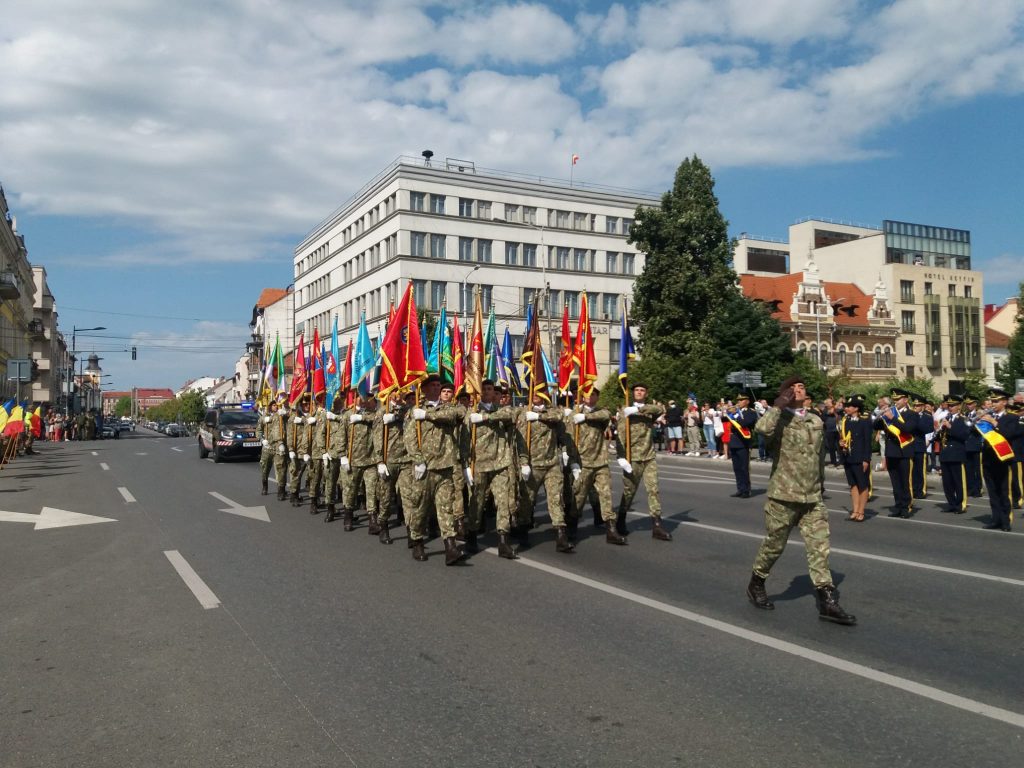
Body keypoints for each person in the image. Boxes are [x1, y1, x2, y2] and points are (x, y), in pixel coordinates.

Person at [746, 374, 856, 625]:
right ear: (784, 392)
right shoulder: (777, 419)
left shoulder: (815, 420)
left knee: (820, 547)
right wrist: (778, 406)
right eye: (792, 387)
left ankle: (827, 600)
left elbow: (819, 455)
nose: (798, 389)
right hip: (783, 495)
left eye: (801, 386)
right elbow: (761, 430)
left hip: (812, 496)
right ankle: (757, 582)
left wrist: (821, 483)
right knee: (775, 545)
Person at [407, 375, 467, 564]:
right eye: (432, 385)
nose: (436, 388)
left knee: (445, 508)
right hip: (424, 468)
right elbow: (409, 439)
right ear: (423, 389)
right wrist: (418, 460)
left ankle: (450, 548)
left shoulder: (449, 408)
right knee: (420, 508)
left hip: (445, 466)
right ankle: (417, 541)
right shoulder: (415, 411)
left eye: (438, 385)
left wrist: (427, 415)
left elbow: (456, 416)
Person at [516, 388, 574, 553]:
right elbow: (520, 441)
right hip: (533, 465)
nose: (536, 395)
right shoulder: (524, 414)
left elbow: (559, 421)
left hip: (552, 464)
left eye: (540, 392)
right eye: (534, 393)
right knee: (527, 501)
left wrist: (564, 452)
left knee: (556, 500)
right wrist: (523, 463)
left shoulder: (552, 412)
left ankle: (561, 536)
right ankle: (523, 532)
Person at [465, 379, 518, 558]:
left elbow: (510, 415)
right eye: (484, 389)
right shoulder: (471, 413)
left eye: (490, 389)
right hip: (478, 463)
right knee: (477, 502)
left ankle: (503, 540)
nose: (487, 392)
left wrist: (485, 417)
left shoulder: (500, 410)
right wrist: (466, 465)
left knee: (503, 502)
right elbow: (463, 439)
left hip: (499, 462)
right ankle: (471, 533)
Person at [615, 383, 672, 541]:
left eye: (642, 390)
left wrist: (639, 409)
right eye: (637, 390)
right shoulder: (625, 410)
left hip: (648, 457)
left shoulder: (648, 410)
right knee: (629, 492)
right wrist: (621, 457)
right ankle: (620, 520)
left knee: (653, 490)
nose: (639, 392)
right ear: (633, 393)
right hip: (632, 458)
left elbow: (660, 409)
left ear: (646, 394)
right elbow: (619, 434)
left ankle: (657, 525)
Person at [570, 387, 627, 546]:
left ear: (597, 397)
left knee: (606, 495)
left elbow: (606, 416)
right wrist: (571, 460)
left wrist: (585, 417)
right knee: (579, 498)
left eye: (593, 394)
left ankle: (611, 529)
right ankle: (572, 528)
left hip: (600, 461)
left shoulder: (601, 412)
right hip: (583, 462)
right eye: (586, 393)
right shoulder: (574, 413)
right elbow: (568, 436)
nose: (589, 396)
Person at [978, 388, 1022, 531]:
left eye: (996, 401)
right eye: (992, 401)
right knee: (993, 492)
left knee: (1004, 491)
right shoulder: (988, 416)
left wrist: (994, 422)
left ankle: (1006, 521)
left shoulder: (1012, 418)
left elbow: (1010, 434)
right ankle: (995, 519)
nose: (993, 403)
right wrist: (977, 422)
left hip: (1003, 460)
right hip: (988, 459)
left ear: (1004, 402)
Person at [873, 388, 916, 518]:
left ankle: (906, 507)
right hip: (891, 451)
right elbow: (875, 426)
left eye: (898, 399)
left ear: (905, 400)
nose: (896, 402)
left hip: (904, 451)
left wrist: (893, 418)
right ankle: (898, 506)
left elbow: (908, 429)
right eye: (895, 399)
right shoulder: (890, 412)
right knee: (895, 483)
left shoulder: (911, 414)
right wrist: (881, 415)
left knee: (905, 482)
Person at [839, 394, 872, 522]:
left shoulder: (864, 421)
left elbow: (867, 442)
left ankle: (861, 511)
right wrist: (841, 443)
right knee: (853, 484)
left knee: (862, 485)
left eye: (850, 406)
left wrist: (866, 459)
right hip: (848, 457)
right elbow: (844, 437)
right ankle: (855, 509)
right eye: (847, 406)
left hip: (860, 458)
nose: (847, 408)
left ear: (857, 408)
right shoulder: (845, 421)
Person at [936, 394, 970, 514]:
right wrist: (939, 430)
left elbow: (964, 435)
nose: (950, 408)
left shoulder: (964, 419)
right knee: (947, 483)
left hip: (957, 454)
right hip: (945, 454)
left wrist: (950, 427)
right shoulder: (945, 418)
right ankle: (951, 503)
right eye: (949, 405)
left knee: (958, 481)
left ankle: (960, 504)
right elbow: (939, 438)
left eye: (953, 405)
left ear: (959, 406)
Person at [725, 391, 757, 498]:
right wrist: (727, 412)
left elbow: (744, 423)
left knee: (744, 468)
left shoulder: (751, 412)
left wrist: (734, 414)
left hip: (744, 442)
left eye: (741, 400)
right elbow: (723, 419)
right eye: (738, 400)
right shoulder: (735, 411)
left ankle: (746, 490)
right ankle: (740, 489)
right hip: (734, 441)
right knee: (737, 468)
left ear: (747, 401)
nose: (739, 402)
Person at [963, 397, 984, 497]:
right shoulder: (966, 415)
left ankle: (978, 489)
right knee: (968, 469)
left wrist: (974, 423)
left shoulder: (979, 414)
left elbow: (980, 430)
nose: (968, 406)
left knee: (977, 469)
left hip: (976, 445)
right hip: (967, 445)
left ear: (975, 404)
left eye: (970, 404)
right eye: (967, 404)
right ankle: (970, 488)